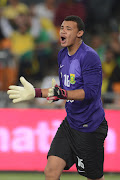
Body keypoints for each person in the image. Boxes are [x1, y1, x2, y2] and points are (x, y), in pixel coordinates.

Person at [7, 15, 108, 180]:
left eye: (69, 29)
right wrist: (36, 92)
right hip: (71, 123)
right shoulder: (62, 55)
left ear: (80, 33)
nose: (63, 31)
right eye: (62, 28)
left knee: (94, 177)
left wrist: (63, 94)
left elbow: (90, 93)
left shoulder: (89, 56)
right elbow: (64, 90)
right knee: (51, 172)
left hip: (90, 127)